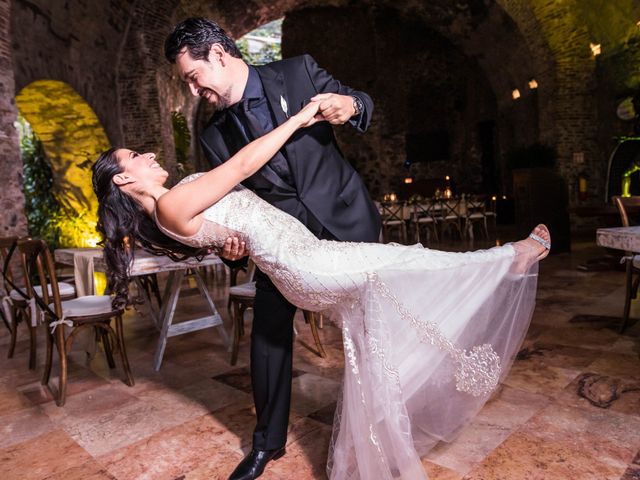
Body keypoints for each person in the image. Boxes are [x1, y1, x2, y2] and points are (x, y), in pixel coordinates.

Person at [92, 100, 550, 480]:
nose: (148, 155)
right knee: (408, 262)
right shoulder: (170, 205)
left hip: (304, 260)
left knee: (374, 334)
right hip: (306, 264)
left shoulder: (169, 209)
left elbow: (230, 233)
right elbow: (243, 164)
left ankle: (377, 444)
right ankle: (511, 257)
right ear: (123, 179)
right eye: (136, 156)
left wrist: (233, 246)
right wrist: (295, 120)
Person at [163, 17, 381, 480]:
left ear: (218, 55)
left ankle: (379, 426)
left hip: (348, 219)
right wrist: (232, 248)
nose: (193, 90)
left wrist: (349, 104)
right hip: (284, 243)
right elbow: (232, 204)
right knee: (267, 332)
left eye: (192, 77)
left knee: (371, 328)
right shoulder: (213, 134)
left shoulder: (298, 72)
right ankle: (267, 445)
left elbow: (362, 103)